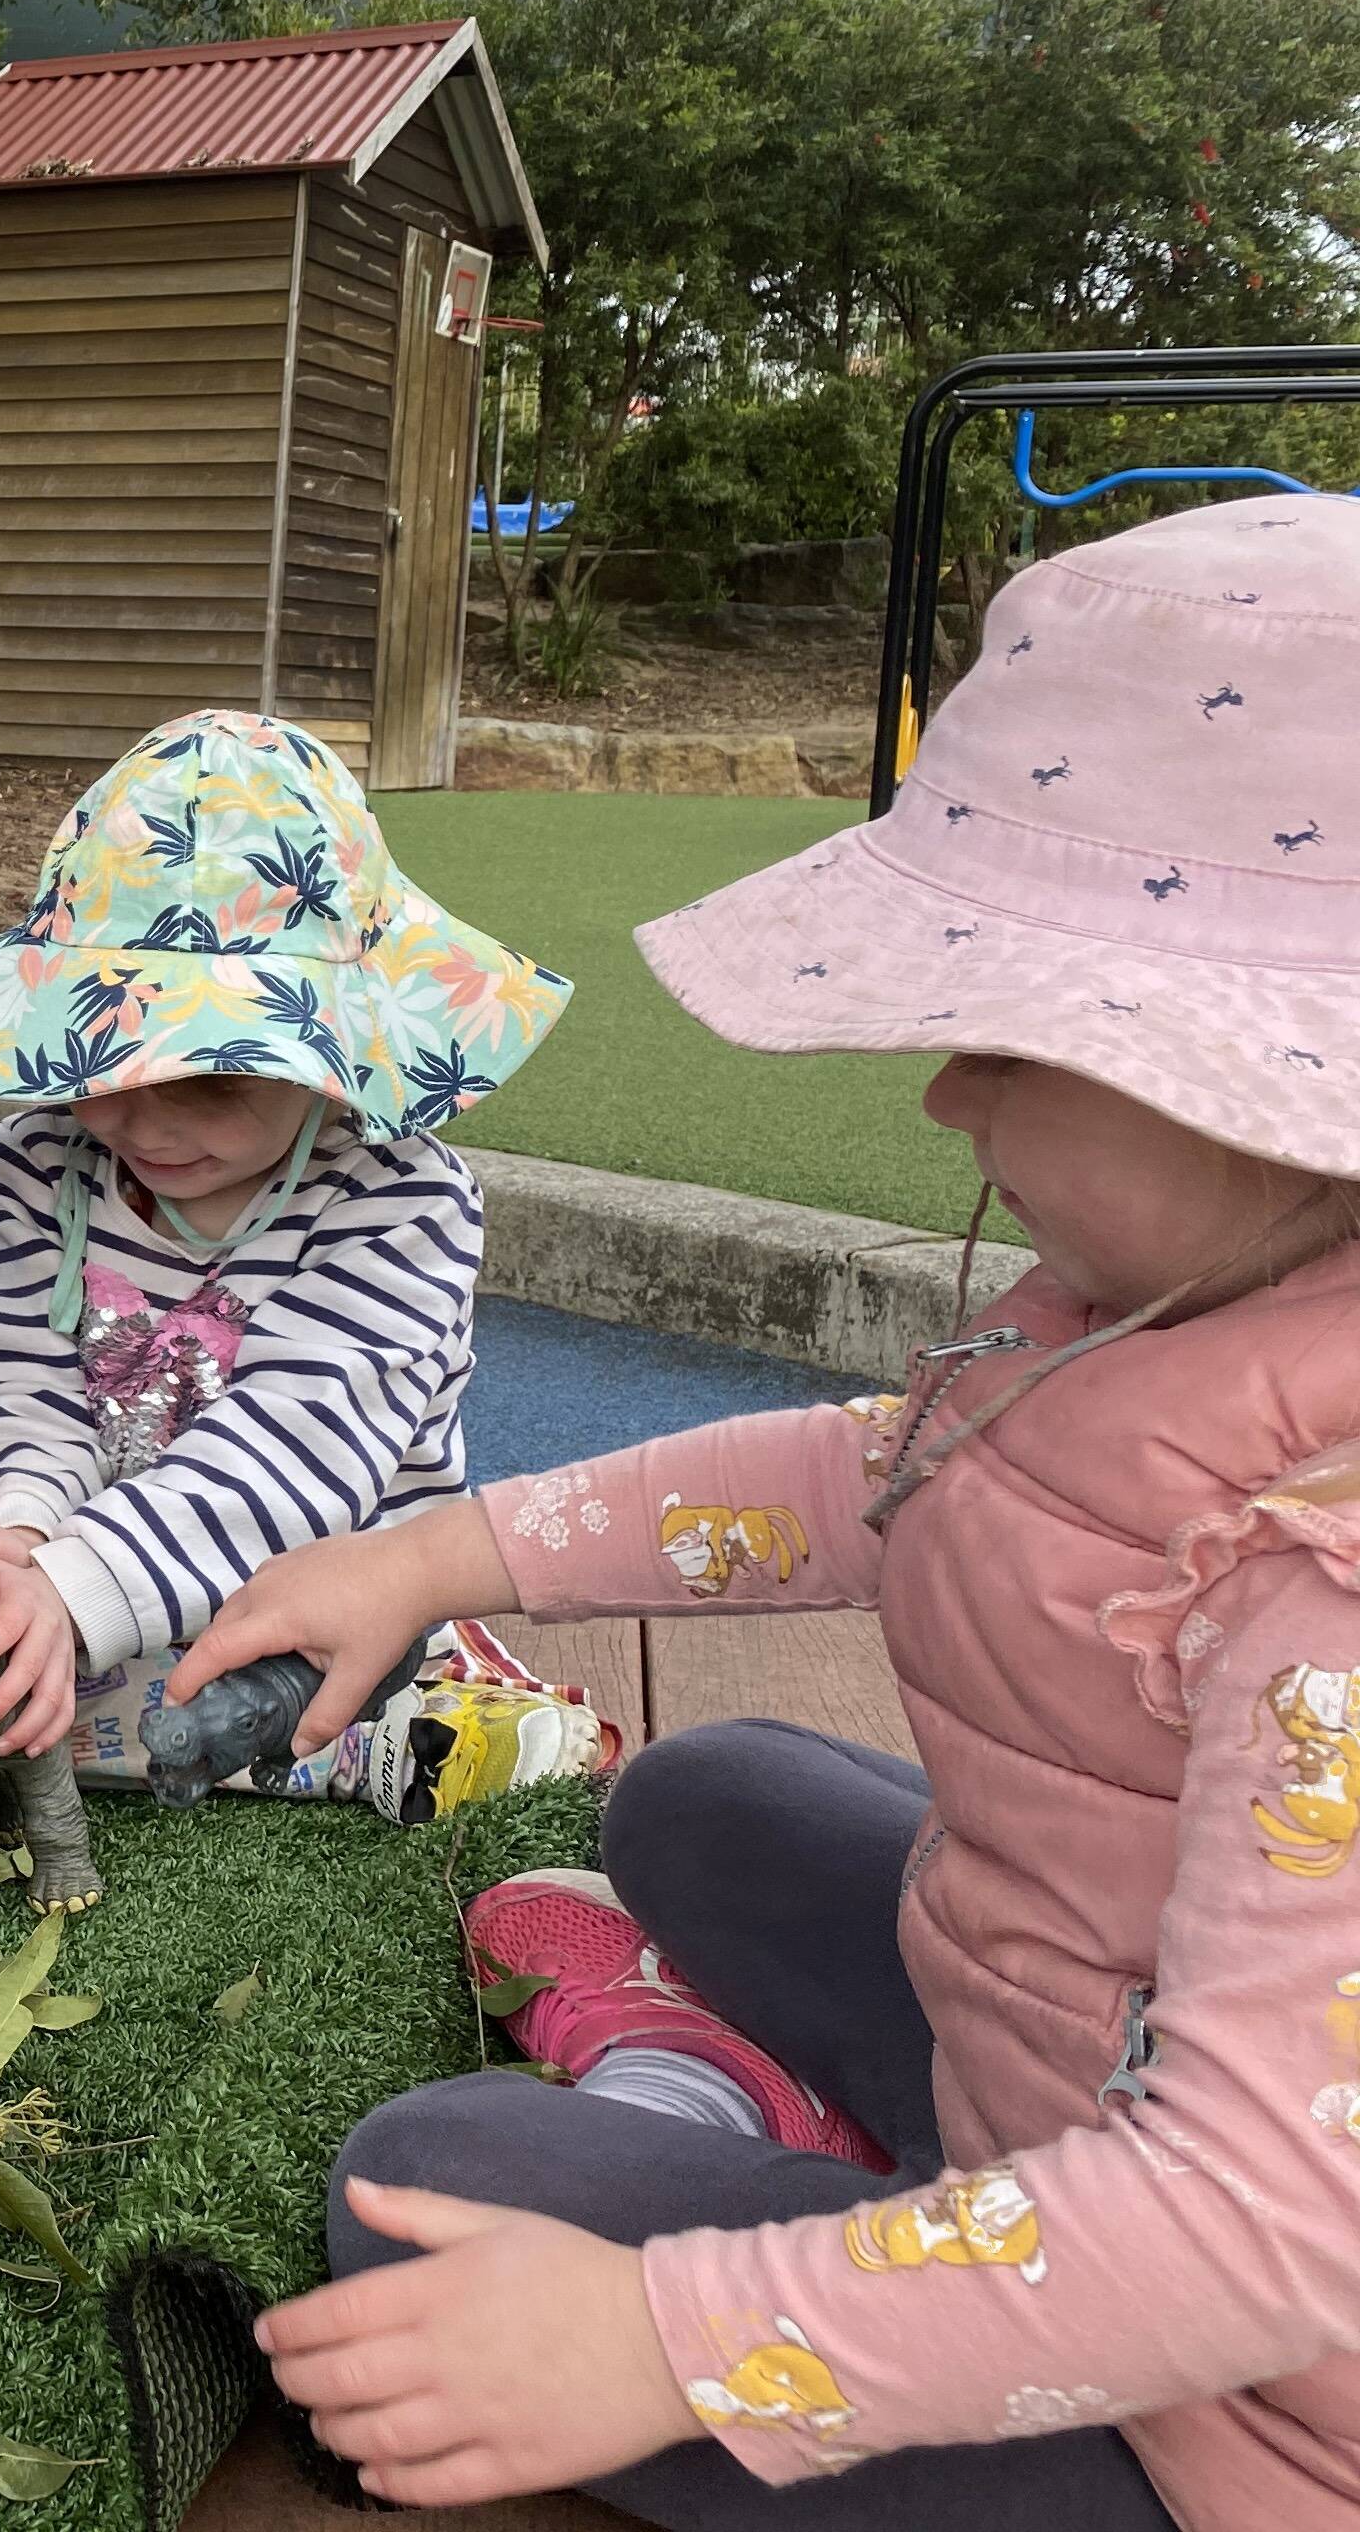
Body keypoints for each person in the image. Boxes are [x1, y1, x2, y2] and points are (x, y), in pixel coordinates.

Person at [181, 498, 1360, 2530]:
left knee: (434, 2205)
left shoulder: (1328, 1569)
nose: (946, 1101)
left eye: (1006, 1032)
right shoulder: (1166, 1302)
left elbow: (1262, 2225)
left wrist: (666, 2337)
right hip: (1076, 2046)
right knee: (701, 1799)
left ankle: (853, 2234)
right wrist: (437, 1554)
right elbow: (866, 1481)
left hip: (1236, 2414)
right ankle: (863, 2175)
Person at [0, 712, 571, 1785]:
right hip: (97, 1578)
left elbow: (290, 1455)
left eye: (215, 1081)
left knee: (335, 1706)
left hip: (326, 1590)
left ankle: (429, 1727)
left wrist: (78, 1587)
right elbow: (17, 1388)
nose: (146, 1124)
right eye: (105, 1064)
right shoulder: (36, 1166)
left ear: (332, 1054)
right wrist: (25, 1539)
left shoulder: (402, 1205)